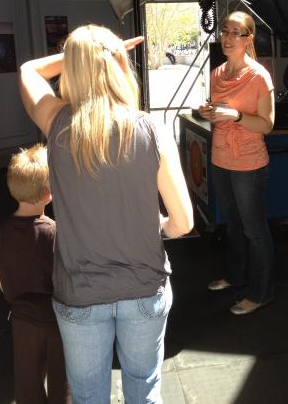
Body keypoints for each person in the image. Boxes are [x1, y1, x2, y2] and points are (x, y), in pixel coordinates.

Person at [18, 24, 193, 404]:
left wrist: (84, 55)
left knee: (87, 397)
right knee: (143, 389)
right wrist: (157, 227)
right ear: (117, 65)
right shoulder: (153, 130)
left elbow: (29, 70)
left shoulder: (56, 122)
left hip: (79, 294)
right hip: (144, 290)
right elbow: (183, 223)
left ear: (73, 68)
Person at [198, 11, 275, 315]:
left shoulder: (259, 76)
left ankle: (261, 292)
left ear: (248, 39)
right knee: (234, 225)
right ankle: (236, 276)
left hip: (248, 163)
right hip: (221, 157)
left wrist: (237, 116)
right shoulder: (217, 73)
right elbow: (218, 109)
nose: (228, 38)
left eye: (235, 33)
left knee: (254, 229)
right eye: (225, 32)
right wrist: (209, 111)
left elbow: (267, 124)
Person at [0, 143, 70, 404]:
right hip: (55, 319)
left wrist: (13, 296)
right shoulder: (54, 231)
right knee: (61, 379)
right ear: (49, 193)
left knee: (27, 380)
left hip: (21, 317)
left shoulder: (2, 230)